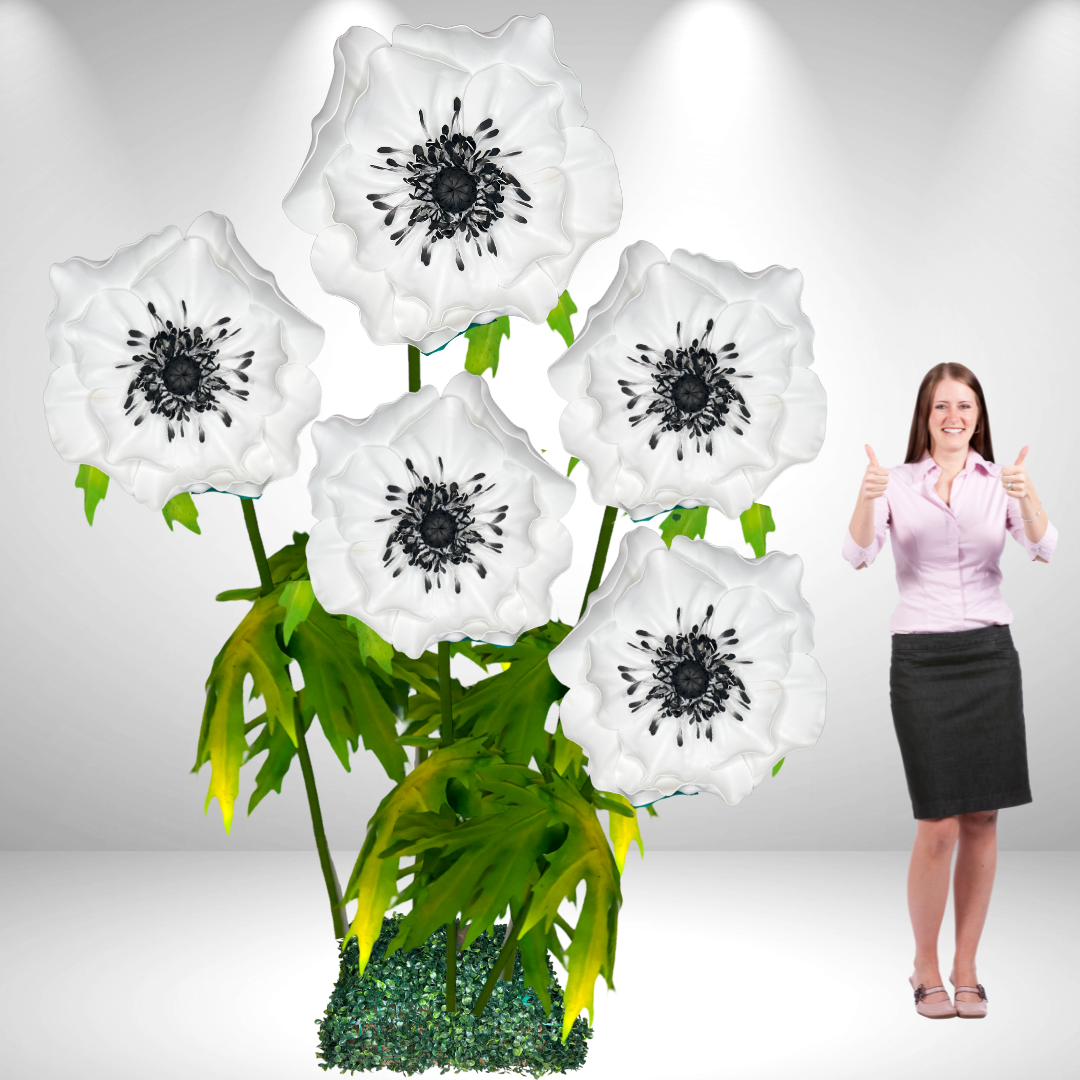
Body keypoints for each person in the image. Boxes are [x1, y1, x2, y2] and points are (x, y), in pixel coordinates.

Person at [843, 362, 1056, 1020]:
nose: (953, 416)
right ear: (926, 417)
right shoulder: (897, 483)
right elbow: (855, 556)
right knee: (937, 824)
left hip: (990, 654)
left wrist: (1027, 493)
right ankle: (924, 964)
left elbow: (1047, 547)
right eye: (941, 406)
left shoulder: (1000, 482)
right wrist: (865, 492)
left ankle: (966, 966)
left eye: (965, 406)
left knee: (983, 818)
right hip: (922, 660)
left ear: (979, 417)